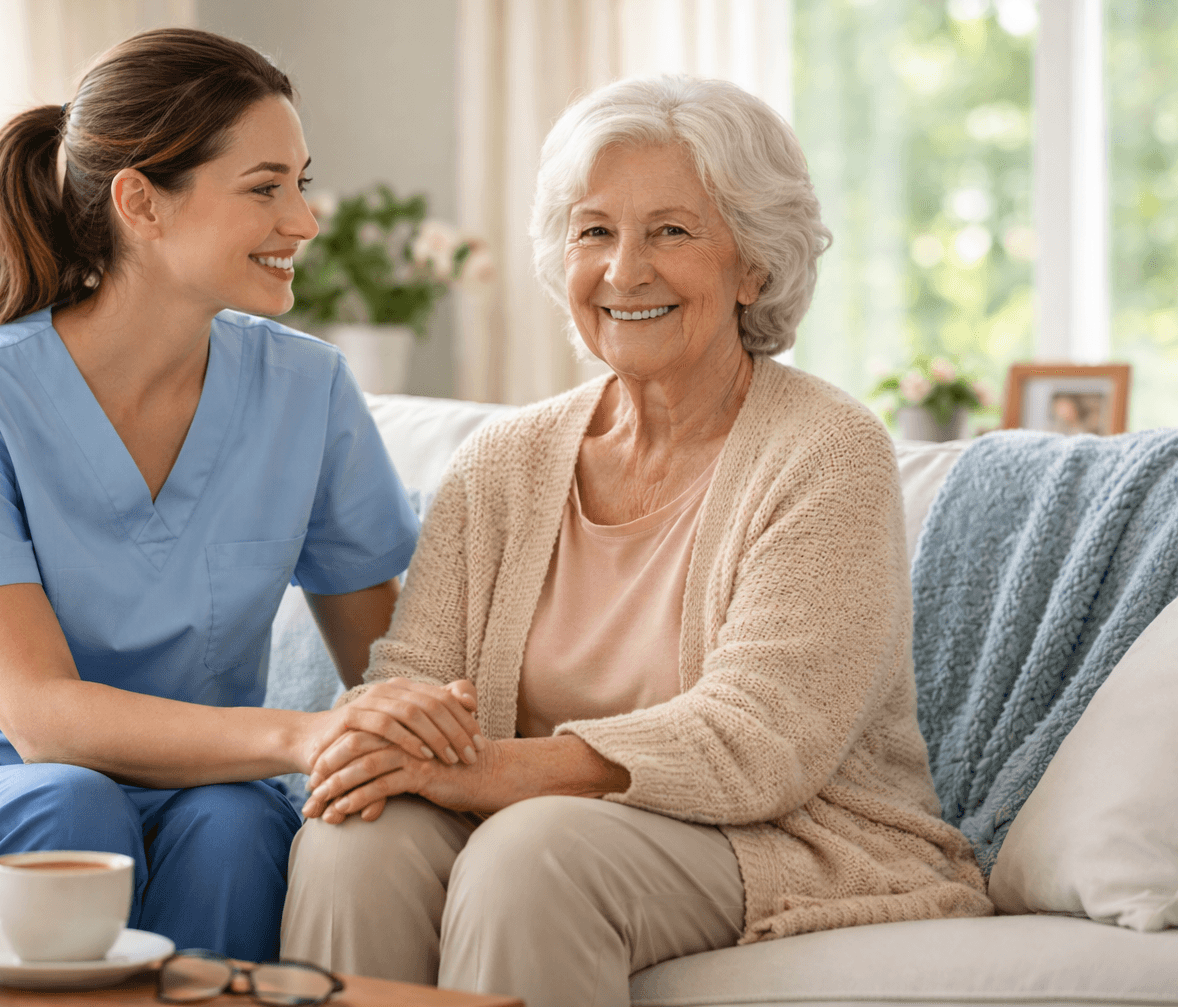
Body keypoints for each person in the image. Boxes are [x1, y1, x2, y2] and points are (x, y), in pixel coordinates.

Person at [280, 75, 994, 1006]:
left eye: (672, 231)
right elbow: (412, 673)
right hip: (533, 817)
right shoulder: (504, 460)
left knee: (532, 854)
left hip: (779, 830)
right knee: (351, 837)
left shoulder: (828, 451)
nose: (624, 271)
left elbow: (759, 739)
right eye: (594, 231)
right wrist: (387, 738)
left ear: (755, 265)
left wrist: (492, 770)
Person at [0, 28, 481, 961]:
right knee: (71, 801)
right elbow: (41, 718)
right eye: (265, 188)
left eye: (302, 181)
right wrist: (302, 734)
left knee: (239, 826)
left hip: (194, 795)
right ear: (141, 203)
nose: (305, 220)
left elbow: (387, 659)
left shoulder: (308, 391)